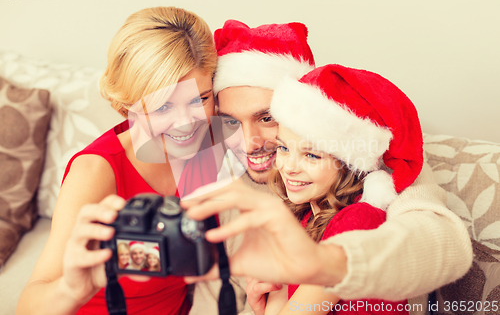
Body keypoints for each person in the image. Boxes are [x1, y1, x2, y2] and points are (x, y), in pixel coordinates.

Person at [182, 19, 472, 313]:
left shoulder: (374, 166)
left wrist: (329, 263)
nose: (248, 143)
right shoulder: (222, 180)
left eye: (267, 117)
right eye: (230, 121)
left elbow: (446, 245)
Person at [17, 6, 221, 315]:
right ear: (127, 105)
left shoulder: (216, 138)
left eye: (199, 99)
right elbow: (30, 306)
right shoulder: (96, 171)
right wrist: (72, 289)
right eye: (163, 107)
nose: (186, 124)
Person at [262, 63, 421, 314]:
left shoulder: (360, 221)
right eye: (283, 148)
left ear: (349, 164)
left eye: (312, 155)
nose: (288, 167)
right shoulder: (303, 216)